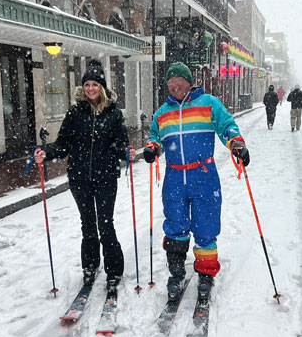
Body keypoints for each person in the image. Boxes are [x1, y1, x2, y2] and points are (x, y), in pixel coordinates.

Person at [143, 62, 250, 303]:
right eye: (170, 82)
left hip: (203, 175)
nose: (174, 85)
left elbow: (226, 125)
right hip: (174, 178)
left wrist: (236, 143)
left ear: (189, 82)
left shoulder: (208, 103)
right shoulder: (162, 113)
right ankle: (177, 273)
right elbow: (154, 136)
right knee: (175, 225)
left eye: (178, 80)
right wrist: (152, 147)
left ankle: (205, 274)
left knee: (206, 226)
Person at [34, 60, 136, 293]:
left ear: (102, 87)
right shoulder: (75, 112)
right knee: (88, 225)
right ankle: (90, 267)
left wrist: (126, 152)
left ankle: (114, 270)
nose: (91, 88)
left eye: (95, 84)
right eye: (87, 84)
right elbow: (63, 144)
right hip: (80, 178)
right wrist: (46, 153)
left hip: (106, 177)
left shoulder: (113, 113)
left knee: (106, 224)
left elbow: (120, 143)